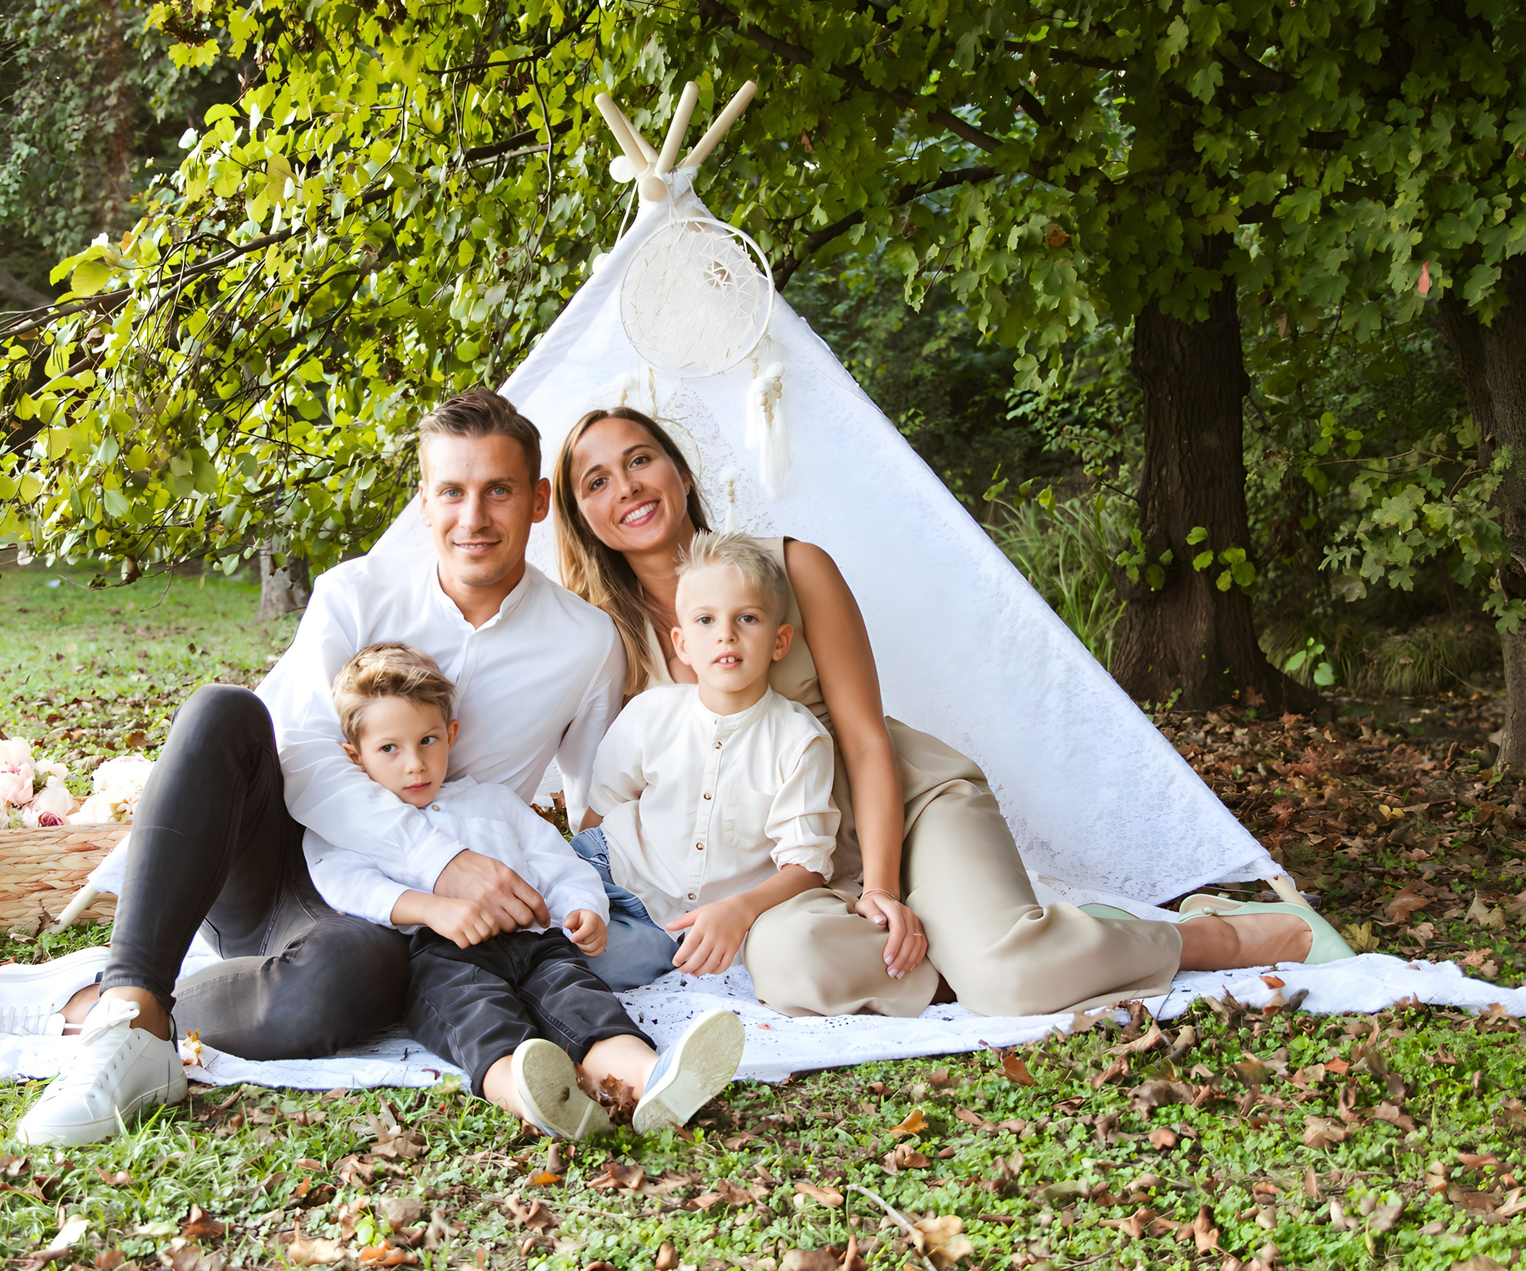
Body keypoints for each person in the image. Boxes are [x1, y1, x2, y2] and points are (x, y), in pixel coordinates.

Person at [0, 389, 625, 1146]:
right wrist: (442, 858)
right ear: (423, 502)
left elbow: (597, 805)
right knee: (226, 709)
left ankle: (99, 1003)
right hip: (277, 861)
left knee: (356, 978)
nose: (473, 517)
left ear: (540, 500)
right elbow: (308, 756)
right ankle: (131, 1004)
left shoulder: (584, 642)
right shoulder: (357, 593)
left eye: (498, 491)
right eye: (451, 491)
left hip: (397, 921)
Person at [553, 406, 1350, 1018]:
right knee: (791, 968)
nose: (625, 488)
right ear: (582, 516)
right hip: (796, 864)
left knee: (1011, 979)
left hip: (902, 802)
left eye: (639, 460)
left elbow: (864, 739)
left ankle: (1203, 934)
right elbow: (615, 794)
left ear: (679, 473)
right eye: (596, 481)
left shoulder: (794, 566)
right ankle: (979, 950)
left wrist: (888, 888)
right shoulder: (600, 641)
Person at [312, 642, 743, 1138]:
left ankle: (653, 1081)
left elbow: (557, 863)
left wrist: (582, 908)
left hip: (537, 941)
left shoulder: (492, 801)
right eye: (389, 748)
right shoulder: (356, 821)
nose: (415, 764)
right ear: (354, 755)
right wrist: (431, 910)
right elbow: (341, 879)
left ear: (450, 734)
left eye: (427, 740)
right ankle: (534, 1099)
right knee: (479, 1020)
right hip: (442, 957)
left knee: (582, 1000)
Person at [581, 533, 939, 1011]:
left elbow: (808, 864)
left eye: (746, 618)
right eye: (706, 621)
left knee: (614, 962)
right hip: (616, 871)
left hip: (675, 924)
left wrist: (741, 909)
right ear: (682, 644)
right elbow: (600, 811)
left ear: (780, 641)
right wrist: (576, 889)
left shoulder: (800, 741)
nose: (725, 635)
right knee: (560, 924)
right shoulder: (651, 714)